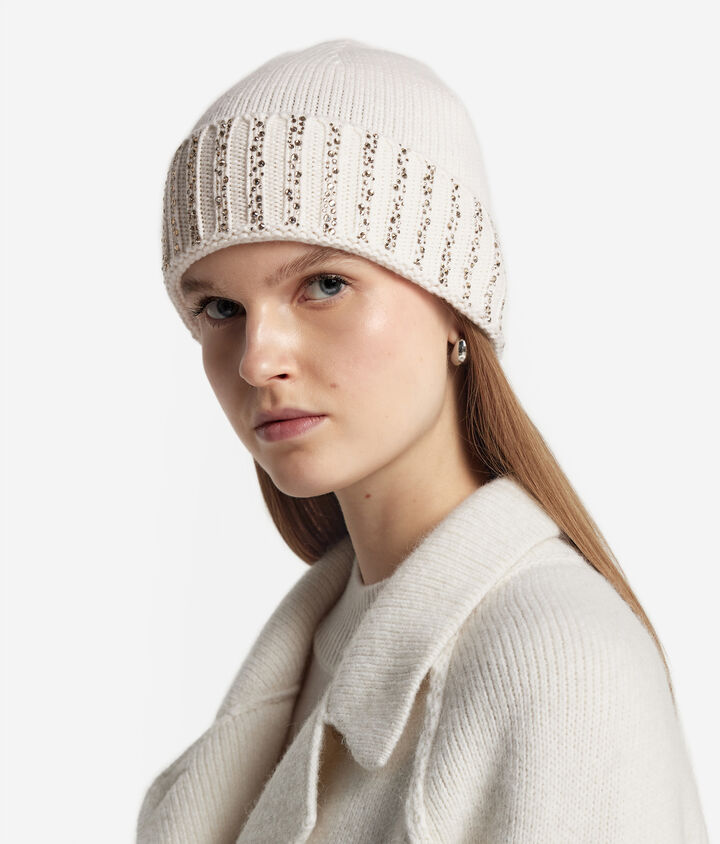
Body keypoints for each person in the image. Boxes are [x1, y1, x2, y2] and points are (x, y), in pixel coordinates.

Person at [136, 39, 708, 843]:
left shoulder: (557, 658)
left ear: (454, 306)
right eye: (220, 310)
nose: (257, 360)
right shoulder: (323, 637)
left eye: (324, 284)